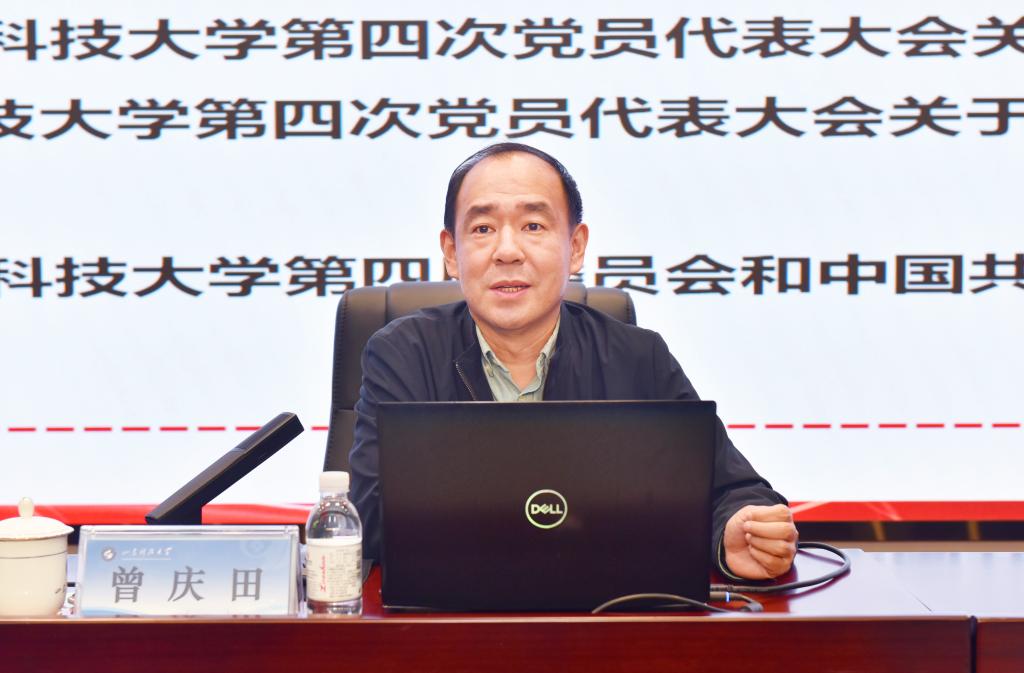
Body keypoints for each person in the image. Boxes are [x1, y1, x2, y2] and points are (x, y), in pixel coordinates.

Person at [349, 142, 798, 580]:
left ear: (576, 246)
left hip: (602, 614)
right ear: (451, 252)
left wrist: (736, 531)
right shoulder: (403, 355)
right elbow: (372, 517)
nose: (508, 251)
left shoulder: (637, 358)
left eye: (533, 225)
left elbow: (732, 489)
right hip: (450, 615)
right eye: (482, 229)